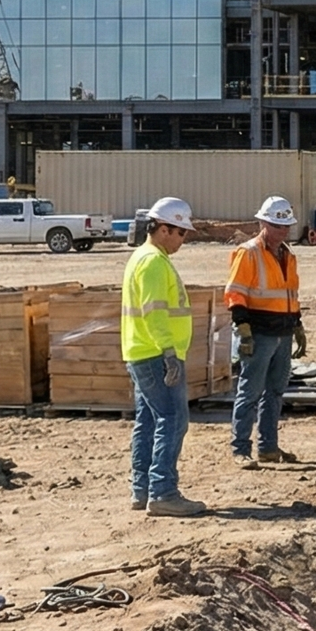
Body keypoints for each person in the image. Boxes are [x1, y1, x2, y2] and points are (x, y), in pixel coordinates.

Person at [123, 197, 203, 517]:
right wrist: (170, 352)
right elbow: (154, 311)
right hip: (157, 354)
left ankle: (142, 489)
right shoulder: (153, 261)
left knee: (149, 421)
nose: (183, 240)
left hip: (142, 351)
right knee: (172, 420)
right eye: (181, 233)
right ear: (165, 229)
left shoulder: (142, 257)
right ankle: (163, 491)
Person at [224, 195, 305, 469]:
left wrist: (297, 324)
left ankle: (268, 447)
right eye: (278, 226)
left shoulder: (288, 255)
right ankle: (240, 449)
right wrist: (243, 327)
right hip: (259, 333)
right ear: (263, 224)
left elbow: (290, 293)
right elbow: (235, 292)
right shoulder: (248, 253)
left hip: (282, 332)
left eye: (286, 227)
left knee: (275, 391)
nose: (284, 231)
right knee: (250, 391)